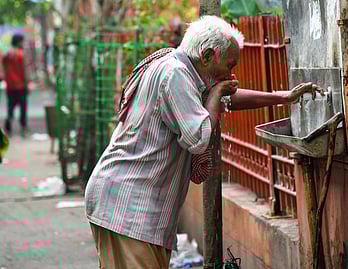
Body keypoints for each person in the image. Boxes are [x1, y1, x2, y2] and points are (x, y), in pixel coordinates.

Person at [85, 15, 315, 269]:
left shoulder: (183, 71)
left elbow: (229, 98)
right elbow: (198, 137)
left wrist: (282, 97)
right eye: (229, 65)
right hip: (127, 206)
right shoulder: (174, 75)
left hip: (130, 207)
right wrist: (216, 94)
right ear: (206, 56)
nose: (231, 74)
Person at [2, 33, 27, 135]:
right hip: (20, 85)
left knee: (10, 106)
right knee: (23, 107)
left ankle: (9, 123)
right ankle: (23, 127)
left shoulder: (7, 54)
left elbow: (4, 68)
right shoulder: (21, 54)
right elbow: (23, 71)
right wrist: (26, 84)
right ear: (19, 42)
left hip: (10, 85)